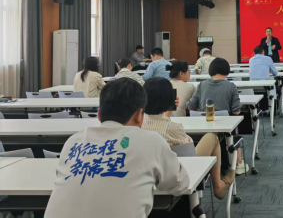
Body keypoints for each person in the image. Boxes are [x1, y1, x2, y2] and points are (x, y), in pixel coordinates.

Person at [44, 78, 191, 218]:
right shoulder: (152, 142)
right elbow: (180, 185)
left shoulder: (73, 142)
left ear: (99, 114)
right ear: (139, 115)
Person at [141, 78, 235, 200]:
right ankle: (218, 185)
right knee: (212, 137)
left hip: (150, 176)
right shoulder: (173, 128)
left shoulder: (139, 123)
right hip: (182, 174)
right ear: (169, 99)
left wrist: (167, 115)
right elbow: (190, 153)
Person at [188, 58, 248, 175]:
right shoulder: (231, 86)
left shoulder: (201, 85)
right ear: (226, 70)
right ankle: (239, 163)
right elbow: (236, 111)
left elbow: (191, 106)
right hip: (225, 130)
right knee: (237, 127)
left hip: (203, 129)